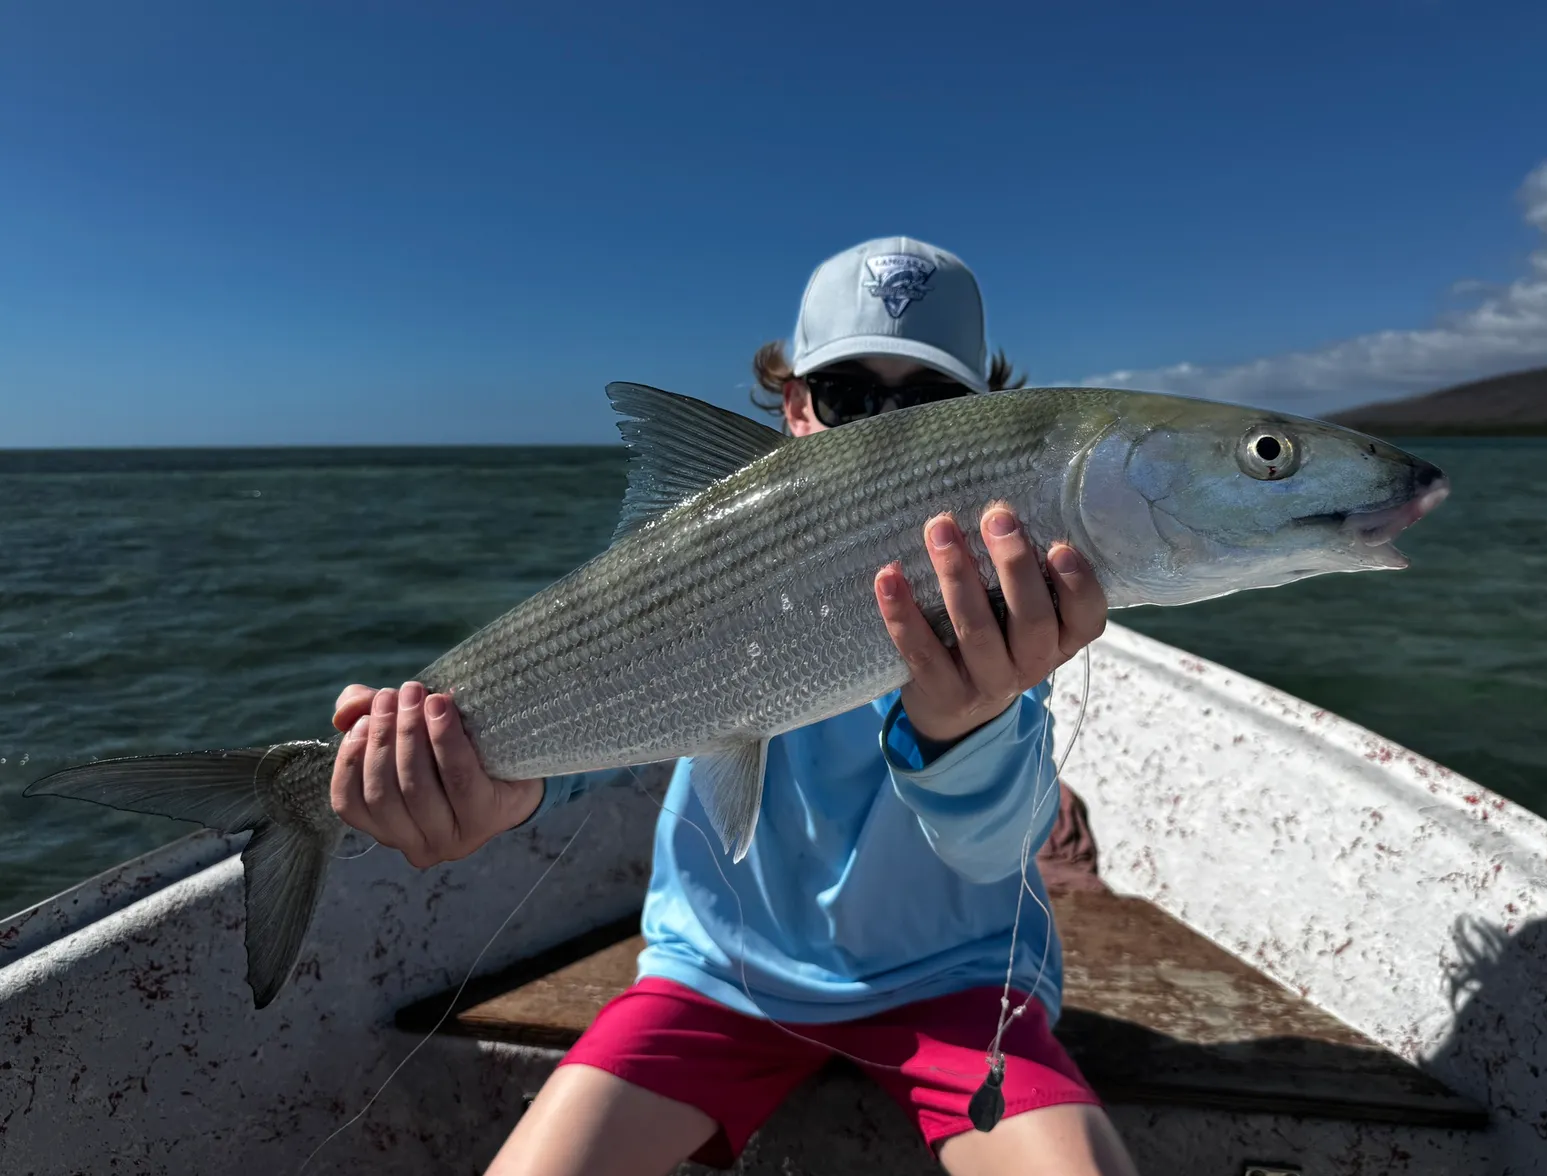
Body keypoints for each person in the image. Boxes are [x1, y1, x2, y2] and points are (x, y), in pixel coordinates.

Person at [328, 236, 1139, 1176]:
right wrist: (485, 790)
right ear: (795, 407)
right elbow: (584, 732)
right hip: (715, 981)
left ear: (977, 423)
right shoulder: (703, 567)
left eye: (924, 404)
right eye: (848, 399)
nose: (883, 429)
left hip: (953, 980)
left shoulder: (1005, 597)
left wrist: (966, 724)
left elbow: (996, 844)